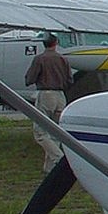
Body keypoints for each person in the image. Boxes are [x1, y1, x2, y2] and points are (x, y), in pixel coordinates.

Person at [24, 34, 71, 172]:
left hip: (45, 94)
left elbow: (30, 78)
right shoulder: (63, 59)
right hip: (61, 95)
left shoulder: (40, 59)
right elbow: (69, 80)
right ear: (56, 42)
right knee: (55, 131)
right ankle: (49, 168)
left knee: (40, 132)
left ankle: (60, 159)